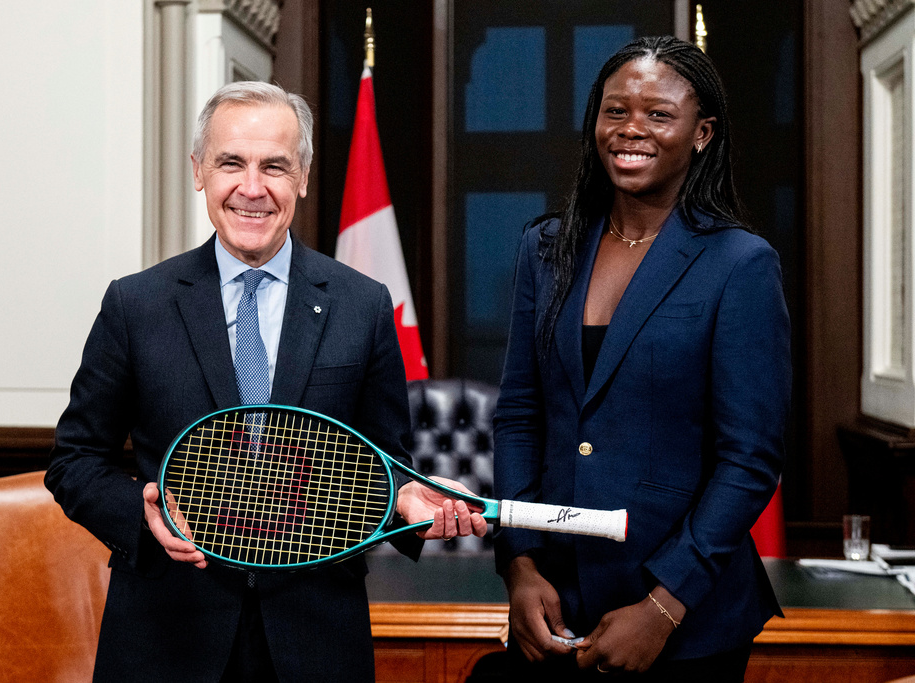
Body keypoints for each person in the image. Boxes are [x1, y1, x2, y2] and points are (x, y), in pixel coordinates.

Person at [47, 81, 486, 683]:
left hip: (316, 640)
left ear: (302, 176)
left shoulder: (362, 305)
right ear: (199, 171)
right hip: (168, 637)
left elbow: (384, 464)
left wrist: (405, 501)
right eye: (232, 163)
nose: (252, 189)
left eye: (274, 166)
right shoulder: (136, 304)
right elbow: (75, 460)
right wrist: (143, 515)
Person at [492, 36, 790, 682]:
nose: (631, 129)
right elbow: (519, 417)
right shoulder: (544, 248)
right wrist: (519, 565)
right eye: (615, 110)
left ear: (702, 132)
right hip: (555, 613)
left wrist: (663, 605)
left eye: (659, 114)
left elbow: (750, 458)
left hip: (687, 625)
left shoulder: (741, 265)